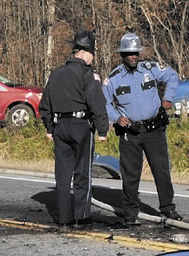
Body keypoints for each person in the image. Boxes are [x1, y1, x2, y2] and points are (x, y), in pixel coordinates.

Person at [103, 32, 182, 227]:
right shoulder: (113, 79)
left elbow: (172, 75)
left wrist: (167, 99)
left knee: (162, 170)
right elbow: (103, 102)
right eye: (130, 53)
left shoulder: (150, 69)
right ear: (122, 54)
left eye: (136, 52)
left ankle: (168, 208)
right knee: (130, 174)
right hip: (131, 132)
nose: (134, 56)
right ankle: (130, 214)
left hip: (154, 129)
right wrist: (116, 117)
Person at [39, 29, 109, 228]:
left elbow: (45, 104)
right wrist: (102, 130)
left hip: (60, 126)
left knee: (62, 175)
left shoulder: (56, 74)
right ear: (87, 52)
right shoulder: (88, 74)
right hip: (81, 126)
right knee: (82, 173)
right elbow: (96, 103)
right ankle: (81, 217)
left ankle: (64, 219)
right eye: (92, 55)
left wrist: (49, 127)